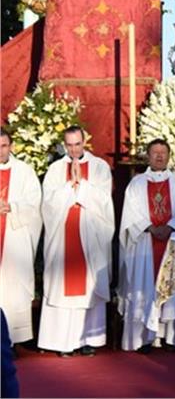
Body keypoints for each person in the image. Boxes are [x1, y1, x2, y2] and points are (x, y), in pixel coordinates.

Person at [38, 125, 114, 357]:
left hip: (91, 236)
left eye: (77, 144)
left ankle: (88, 339)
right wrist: (70, 186)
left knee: (89, 286)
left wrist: (83, 186)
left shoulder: (100, 167)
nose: (73, 150)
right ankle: (63, 342)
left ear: (85, 142)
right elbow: (48, 205)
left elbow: (103, 201)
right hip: (62, 237)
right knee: (62, 285)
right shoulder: (54, 169)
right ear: (64, 144)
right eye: (69, 145)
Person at [118, 138, 175, 353]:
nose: (160, 156)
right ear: (148, 156)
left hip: (172, 242)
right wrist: (151, 228)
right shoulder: (137, 183)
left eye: (163, 153)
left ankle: (169, 336)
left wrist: (169, 226)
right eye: (155, 153)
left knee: (170, 288)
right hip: (144, 243)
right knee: (144, 287)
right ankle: (143, 338)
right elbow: (131, 213)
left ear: (169, 156)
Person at [0, 128, 42, 346]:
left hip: (14, 237)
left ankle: (12, 340)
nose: (0, 151)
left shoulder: (24, 171)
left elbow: (34, 203)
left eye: (4, 146)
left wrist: (12, 207)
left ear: (11, 146)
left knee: (13, 289)